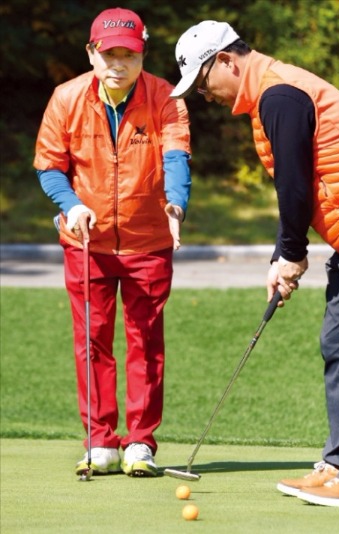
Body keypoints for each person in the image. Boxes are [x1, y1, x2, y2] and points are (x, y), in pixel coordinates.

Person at [170, 20, 339, 506]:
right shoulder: (270, 95)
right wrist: (281, 254)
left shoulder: (279, 95)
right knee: (337, 341)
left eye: (204, 83)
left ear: (226, 60)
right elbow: (294, 188)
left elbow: (295, 184)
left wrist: (292, 252)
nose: (206, 96)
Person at [34, 7, 192, 478]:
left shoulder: (167, 97)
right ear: (91, 53)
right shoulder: (65, 98)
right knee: (92, 340)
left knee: (146, 342)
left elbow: (177, 155)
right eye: (109, 54)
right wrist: (71, 203)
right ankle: (100, 440)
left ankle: (140, 441)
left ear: (143, 56)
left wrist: (176, 204)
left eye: (129, 55)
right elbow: (49, 165)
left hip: (149, 241)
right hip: (87, 242)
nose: (118, 64)